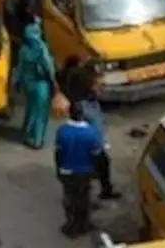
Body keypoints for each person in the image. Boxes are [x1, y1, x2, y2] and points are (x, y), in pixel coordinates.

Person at [57, 58, 119, 200]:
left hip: (73, 166)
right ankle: (104, 189)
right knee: (101, 161)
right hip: (88, 148)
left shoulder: (72, 76)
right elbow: (97, 127)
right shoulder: (87, 94)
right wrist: (101, 142)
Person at [54, 101, 103, 238]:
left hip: (67, 172)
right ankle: (84, 224)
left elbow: (58, 153)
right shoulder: (91, 133)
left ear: (70, 113)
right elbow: (97, 155)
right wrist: (96, 172)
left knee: (70, 199)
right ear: (83, 115)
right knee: (84, 198)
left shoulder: (62, 131)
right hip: (85, 172)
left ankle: (72, 225)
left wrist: (58, 169)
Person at [12, 20, 56, 149]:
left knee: (31, 109)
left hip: (28, 84)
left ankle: (28, 134)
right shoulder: (41, 47)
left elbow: (19, 68)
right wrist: (54, 81)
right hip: (41, 84)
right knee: (41, 112)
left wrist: (16, 83)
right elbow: (48, 66)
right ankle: (37, 140)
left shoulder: (23, 50)